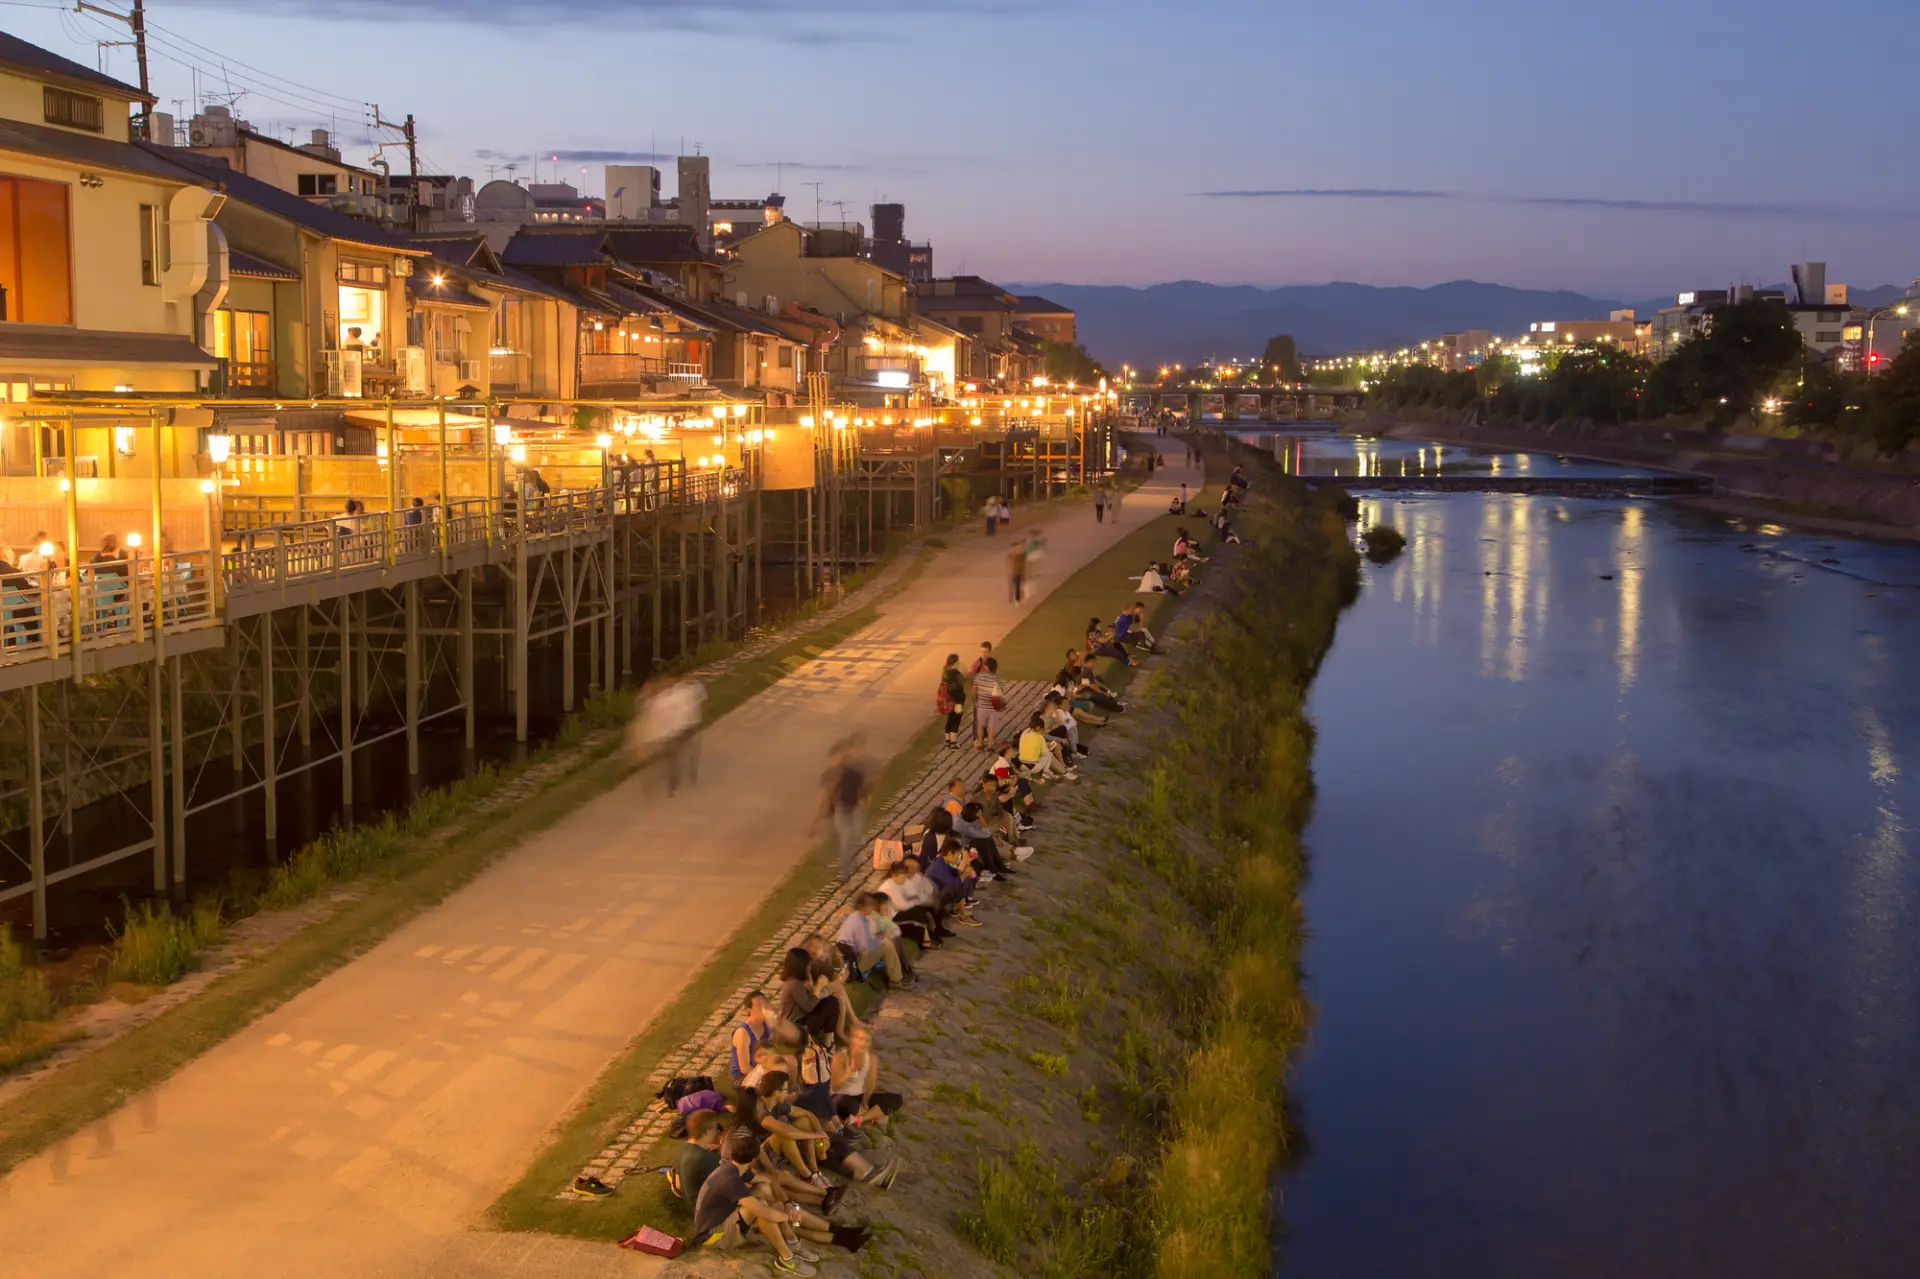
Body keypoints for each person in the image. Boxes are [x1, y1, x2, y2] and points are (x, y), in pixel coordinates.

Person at [691, 1126, 823, 1272]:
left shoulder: (734, 1167)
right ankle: (787, 1259)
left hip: (721, 1220)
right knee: (761, 1210)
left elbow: (766, 1181)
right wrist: (789, 1216)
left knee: (764, 1189)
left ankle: (792, 1241)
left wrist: (786, 1203)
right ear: (754, 1159)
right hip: (712, 1238)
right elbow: (763, 1212)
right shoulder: (731, 1181)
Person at [629, 673, 707, 795]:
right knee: (671, 755)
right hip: (667, 732)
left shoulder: (671, 697)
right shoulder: (660, 699)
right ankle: (673, 778)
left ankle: (679, 776)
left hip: (678, 728)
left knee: (675, 754)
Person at [815, 734, 873, 884]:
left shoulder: (857, 769)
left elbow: (866, 786)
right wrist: (818, 817)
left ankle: (852, 862)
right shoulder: (833, 773)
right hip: (843, 808)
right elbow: (826, 794)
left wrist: (864, 800)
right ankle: (846, 872)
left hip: (857, 808)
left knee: (854, 838)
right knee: (846, 839)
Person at [831, 1025, 906, 1127]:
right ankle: (871, 1115)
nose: (864, 1043)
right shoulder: (841, 1057)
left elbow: (870, 1083)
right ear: (853, 1039)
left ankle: (860, 1118)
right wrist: (848, 1073)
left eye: (867, 1041)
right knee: (844, 1103)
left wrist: (865, 1103)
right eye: (861, 1039)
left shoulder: (871, 1057)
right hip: (840, 1096)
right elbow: (835, 1086)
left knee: (896, 1099)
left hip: (858, 1096)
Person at [834, 893, 911, 988]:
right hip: (855, 964)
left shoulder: (858, 917)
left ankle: (900, 975)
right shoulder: (858, 921)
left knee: (887, 942)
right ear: (862, 907)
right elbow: (864, 947)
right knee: (886, 946)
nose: (872, 907)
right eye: (869, 905)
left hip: (854, 958)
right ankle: (896, 981)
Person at [778, 947, 844, 1045]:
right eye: (808, 964)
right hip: (795, 1028)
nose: (809, 966)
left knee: (831, 1001)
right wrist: (818, 987)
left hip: (800, 1019)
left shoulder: (795, 981)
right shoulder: (794, 984)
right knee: (831, 1004)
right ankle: (828, 1043)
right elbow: (809, 1006)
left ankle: (830, 1041)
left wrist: (814, 987)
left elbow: (813, 999)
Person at [728, 991, 779, 1087]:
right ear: (749, 1010)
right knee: (772, 1085)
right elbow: (744, 1068)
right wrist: (767, 1077)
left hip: (761, 1068)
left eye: (765, 1003)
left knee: (789, 1063)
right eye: (759, 1005)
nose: (764, 1008)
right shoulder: (743, 1033)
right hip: (742, 1077)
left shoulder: (766, 1025)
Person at [1018, 713, 1078, 781]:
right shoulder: (1039, 737)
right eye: (1041, 729)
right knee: (1049, 755)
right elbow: (1045, 752)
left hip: (1022, 762)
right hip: (1032, 765)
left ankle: (1061, 766)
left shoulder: (1025, 732)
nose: (1041, 731)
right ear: (1038, 727)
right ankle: (1063, 772)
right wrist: (1047, 749)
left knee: (1054, 746)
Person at [971, 655, 1005, 749]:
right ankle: (990, 746)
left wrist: (975, 699)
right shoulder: (999, 680)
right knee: (991, 727)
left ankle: (980, 744)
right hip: (993, 707)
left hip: (982, 706)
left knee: (980, 726)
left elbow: (974, 689)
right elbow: (1000, 694)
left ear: (986, 667)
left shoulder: (979, 677)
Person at [937, 652, 968, 750]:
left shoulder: (945, 671)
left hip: (948, 700)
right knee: (956, 720)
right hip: (957, 701)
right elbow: (963, 681)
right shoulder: (957, 674)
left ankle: (947, 740)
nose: (959, 664)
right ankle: (953, 742)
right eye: (958, 662)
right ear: (954, 663)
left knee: (950, 718)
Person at [1007, 539, 1027, 606]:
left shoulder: (1020, 556)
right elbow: (1009, 564)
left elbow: (1023, 565)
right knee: (1012, 586)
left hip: (1018, 573)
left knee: (1017, 586)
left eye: (1018, 547)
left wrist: (1023, 574)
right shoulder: (1010, 556)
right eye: (1015, 547)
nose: (1017, 549)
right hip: (1013, 572)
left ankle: (1017, 600)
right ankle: (1011, 599)